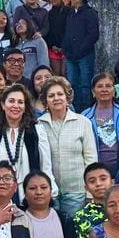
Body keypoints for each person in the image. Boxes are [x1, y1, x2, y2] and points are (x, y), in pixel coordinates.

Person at [35, 79, 97, 217]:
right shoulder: (39, 124)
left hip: (77, 192)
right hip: (48, 192)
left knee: (74, 235)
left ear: (67, 97)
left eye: (60, 94)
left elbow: (91, 160)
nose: (56, 98)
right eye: (51, 96)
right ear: (45, 101)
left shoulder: (83, 122)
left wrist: (89, 192)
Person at [0, 86, 53, 190]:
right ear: (3, 105)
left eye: (20, 102)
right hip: (1, 193)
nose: (16, 106)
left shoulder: (37, 131)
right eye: (11, 101)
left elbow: (46, 166)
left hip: (30, 194)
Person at [84, 72, 119, 176]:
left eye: (108, 86)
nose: (104, 89)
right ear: (93, 91)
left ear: (114, 90)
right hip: (96, 171)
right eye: (100, 86)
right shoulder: (85, 116)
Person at [61, 0, 100, 91]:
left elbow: (93, 34)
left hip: (85, 54)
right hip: (70, 53)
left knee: (85, 83)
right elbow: (67, 31)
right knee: (71, 83)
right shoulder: (71, 13)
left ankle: (85, 105)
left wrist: (81, 49)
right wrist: (65, 48)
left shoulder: (90, 13)